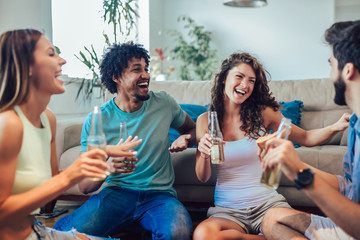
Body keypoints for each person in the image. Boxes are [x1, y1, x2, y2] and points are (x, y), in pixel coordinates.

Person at [0, 29, 141, 240]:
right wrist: (70, 175)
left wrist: (99, 160)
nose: (62, 60)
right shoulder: (8, 124)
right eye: (50, 54)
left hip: (35, 231)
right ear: (27, 66)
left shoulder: (47, 119)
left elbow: (51, 182)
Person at [192, 52, 349, 240]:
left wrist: (336, 126)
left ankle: (268, 231)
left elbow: (306, 137)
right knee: (203, 235)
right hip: (227, 211)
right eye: (239, 77)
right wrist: (203, 153)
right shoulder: (205, 121)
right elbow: (203, 177)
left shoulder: (264, 113)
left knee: (291, 228)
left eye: (251, 80)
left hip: (268, 206)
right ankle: (265, 236)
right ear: (224, 79)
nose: (245, 85)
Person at [54, 41, 196, 239]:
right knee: (66, 234)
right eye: (136, 70)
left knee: (178, 234)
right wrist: (108, 168)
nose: (146, 75)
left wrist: (186, 138)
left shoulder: (163, 103)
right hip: (116, 193)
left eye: (146, 69)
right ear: (116, 77)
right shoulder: (98, 119)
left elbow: (191, 128)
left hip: (160, 196)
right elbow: (86, 187)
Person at [260, 20, 360, 240]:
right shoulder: (355, 124)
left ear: (348, 70)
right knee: (271, 218)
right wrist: (292, 163)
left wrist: (301, 174)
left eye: (331, 64)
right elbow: (350, 186)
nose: (330, 74)